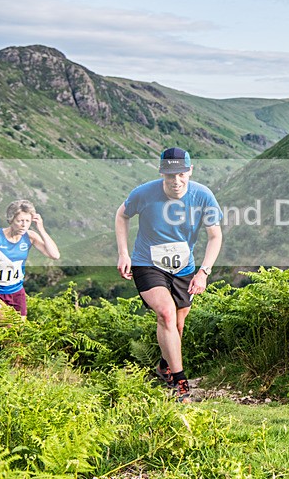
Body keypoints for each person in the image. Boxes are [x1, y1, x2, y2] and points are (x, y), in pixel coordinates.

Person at [115, 147, 222, 403]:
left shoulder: (203, 196)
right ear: (162, 173)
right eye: (170, 175)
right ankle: (182, 385)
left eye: (181, 174)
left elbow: (215, 236)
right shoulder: (144, 193)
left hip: (184, 268)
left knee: (178, 325)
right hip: (147, 263)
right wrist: (123, 253)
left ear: (190, 171)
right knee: (165, 313)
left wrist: (203, 272)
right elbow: (122, 215)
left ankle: (164, 365)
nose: (176, 181)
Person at [0, 200, 61, 322]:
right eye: (20, 221)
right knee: (9, 325)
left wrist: (41, 229)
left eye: (27, 221)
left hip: (16, 292)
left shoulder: (30, 236)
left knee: (19, 334)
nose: (24, 225)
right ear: (11, 220)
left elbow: (54, 255)